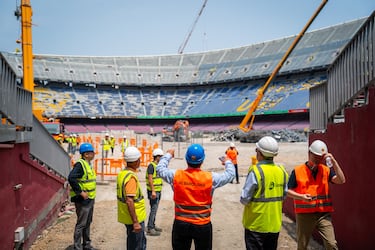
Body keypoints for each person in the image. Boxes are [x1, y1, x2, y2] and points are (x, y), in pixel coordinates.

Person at [157, 144, 235, 250]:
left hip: (181, 223)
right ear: (202, 161)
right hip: (202, 224)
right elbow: (230, 174)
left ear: (186, 159)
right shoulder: (210, 178)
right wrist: (227, 161)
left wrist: (168, 155)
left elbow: (160, 169)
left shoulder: (176, 175)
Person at [287, 140, 346, 250]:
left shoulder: (326, 170)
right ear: (310, 153)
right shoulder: (298, 171)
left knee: (331, 244)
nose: (319, 160)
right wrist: (301, 197)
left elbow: (341, 180)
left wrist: (334, 162)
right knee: (302, 246)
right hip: (304, 215)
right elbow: (287, 191)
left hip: (323, 214)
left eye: (321, 157)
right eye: (316, 157)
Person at [240, 136, 289, 250]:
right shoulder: (281, 170)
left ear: (260, 153)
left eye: (256, 150)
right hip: (274, 225)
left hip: (255, 225)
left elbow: (244, 198)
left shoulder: (256, 171)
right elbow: (284, 194)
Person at [68, 143, 97, 250]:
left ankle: (87, 244)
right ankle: (77, 247)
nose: (94, 154)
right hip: (82, 200)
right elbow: (71, 178)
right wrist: (80, 192)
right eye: (91, 152)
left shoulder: (87, 164)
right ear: (86, 154)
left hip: (90, 199)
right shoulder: (80, 165)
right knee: (81, 224)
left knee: (88, 222)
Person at [117, 146, 147, 250]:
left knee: (133, 243)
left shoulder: (122, 174)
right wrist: (136, 222)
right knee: (137, 245)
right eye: (139, 159)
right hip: (135, 218)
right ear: (135, 161)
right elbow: (129, 200)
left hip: (126, 216)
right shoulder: (130, 178)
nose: (140, 161)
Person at [145, 148, 164, 236]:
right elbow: (150, 179)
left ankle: (152, 224)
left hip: (157, 191)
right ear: (157, 157)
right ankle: (150, 228)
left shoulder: (157, 166)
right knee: (153, 209)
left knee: (155, 209)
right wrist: (153, 191)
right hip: (153, 191)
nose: (162, 158)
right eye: (161, 156)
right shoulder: (151, 166)